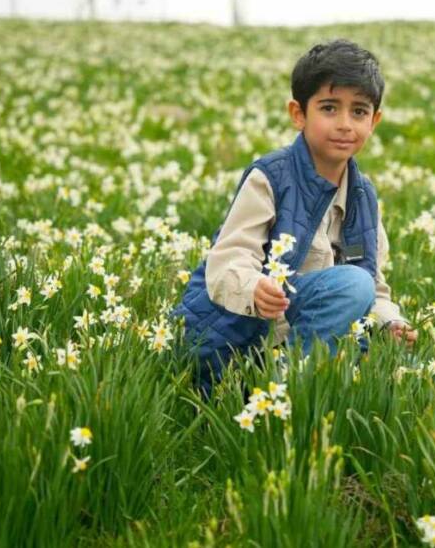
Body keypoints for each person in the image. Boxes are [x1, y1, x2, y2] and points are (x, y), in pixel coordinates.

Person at [173, 39, 416, 399]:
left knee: (357, 287)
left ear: (375, 121)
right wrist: (254, 287)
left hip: (298, 333)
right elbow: (229, 258)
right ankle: (286, 391)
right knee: (352, 285)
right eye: (330, 108)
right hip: (238, 331)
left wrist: (390, 321)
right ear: (298, 113)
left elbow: (373, 286)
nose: (345, 124)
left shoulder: (363, 197)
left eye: (359, 112)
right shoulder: (271, 177)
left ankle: (293, 385)